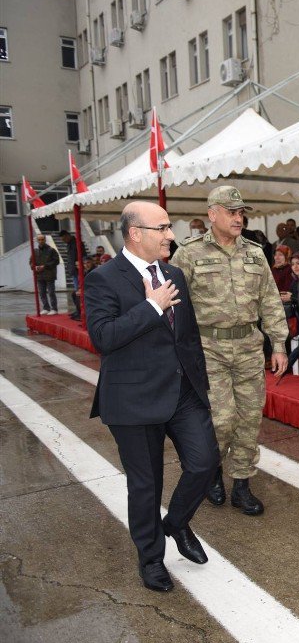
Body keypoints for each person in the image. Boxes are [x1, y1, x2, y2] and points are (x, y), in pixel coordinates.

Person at [84, 201, 219, 592]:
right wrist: (151, 306)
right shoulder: (103, 279)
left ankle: (175, 523)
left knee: (205, 462)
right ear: (135, 233)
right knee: (146, 486)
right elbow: (103, 337)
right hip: (133, 400)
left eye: (169, 227)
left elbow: (187, 335)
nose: (170, 235)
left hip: (182, 393)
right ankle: (151, 558)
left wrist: (200, 383)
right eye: (161, 228)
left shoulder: (173, 272)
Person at [171, 186, 288, 517]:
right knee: (221, 421)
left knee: (249, 419)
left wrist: (277, 344)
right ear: (213, 214)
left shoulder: (254, 252)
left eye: (241, 212)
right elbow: (174, 304)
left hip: (249, 348)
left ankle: (242, 485)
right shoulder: (189, 253)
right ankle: (211, 476)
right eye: (232, 212)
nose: (239, 217)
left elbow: (269, 298)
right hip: (210, 350)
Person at [30, 234, 60, 315]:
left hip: (50, 275)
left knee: (51, 292)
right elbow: (31, 262)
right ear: (37, 241)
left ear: (45, 240)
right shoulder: (35, 251)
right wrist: (35, 267)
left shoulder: (51, 250)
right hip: (39, 275)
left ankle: (54, 308)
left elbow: (56, 261)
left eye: (42, 239)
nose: (41, 241)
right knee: (42, 293)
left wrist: (45, 266)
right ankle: (46, 308)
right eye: (39, 239)